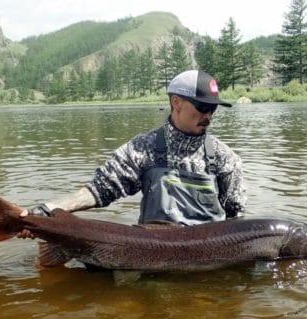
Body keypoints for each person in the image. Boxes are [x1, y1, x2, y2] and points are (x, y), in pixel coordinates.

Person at [18, 69, 245, 239]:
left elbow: (237, 220)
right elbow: (100, 190)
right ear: (176, 102)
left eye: (213, 109)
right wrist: (45, 211)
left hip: (210, 260)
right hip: (150, 254)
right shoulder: (142, 148)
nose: (209, 115)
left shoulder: (226, 158)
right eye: (203, 107)